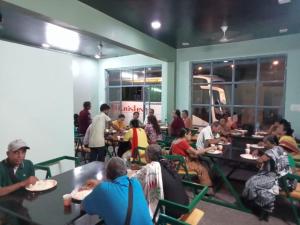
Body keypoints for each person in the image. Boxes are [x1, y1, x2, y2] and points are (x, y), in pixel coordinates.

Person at [82, 157, 153, 225]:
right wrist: (100, 184)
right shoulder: (135, 183)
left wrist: (71, 197)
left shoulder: (103, 189)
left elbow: (85, 207)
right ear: (125, 172)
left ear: (107, 175)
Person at [242, 135, 291, 221]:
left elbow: (261, 160)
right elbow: (268, 154)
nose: (264, 144)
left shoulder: (275, 150)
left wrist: (259, 158)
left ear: (274, 143)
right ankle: (254, 203)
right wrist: (258, 151)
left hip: (278, 178)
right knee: (252, 180)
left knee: (253, 182)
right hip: (279, 175)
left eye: (266, 143)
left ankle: (253, 203)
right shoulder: (278, 148)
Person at [134, 144, 189, 218]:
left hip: (172, 211)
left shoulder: (151, 168)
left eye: (145, 155)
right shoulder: (166, 163)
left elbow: (135, 180)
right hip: (183, 204)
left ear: (148, 156)